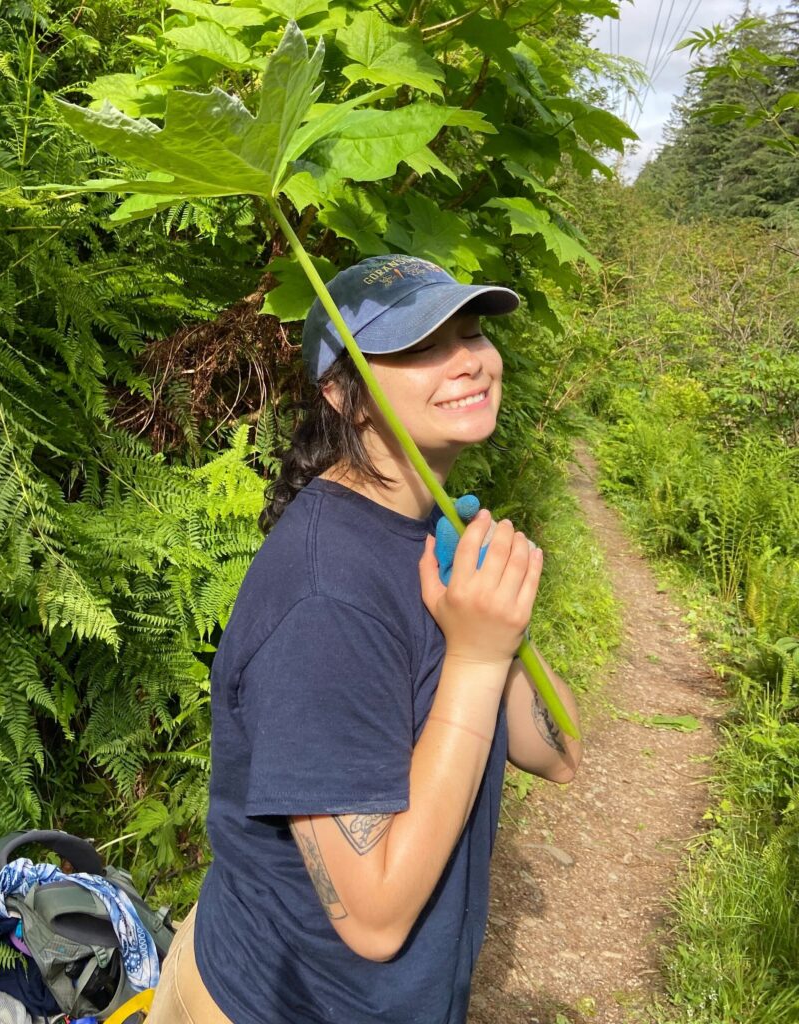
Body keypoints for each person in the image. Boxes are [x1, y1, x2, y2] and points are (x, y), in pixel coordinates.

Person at [148, 254, 583, 1024]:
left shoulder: (429, 531)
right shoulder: (327, 601)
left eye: (474, 333)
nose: (470, 362)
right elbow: (374, 917)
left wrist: (496, 625)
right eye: (420, 348)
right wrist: (476, 659)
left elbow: (560, 754)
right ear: (343, 394)